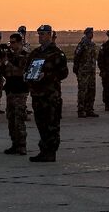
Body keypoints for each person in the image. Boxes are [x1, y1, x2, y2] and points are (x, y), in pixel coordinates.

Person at [26, 25, 69, 162]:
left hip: (51, 96)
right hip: (38, 95)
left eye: (43, 34)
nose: (40, 36)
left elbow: (63, 73)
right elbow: (28, 68)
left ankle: (51, 151)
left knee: (52, 124)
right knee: (41, 124)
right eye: (39, 34)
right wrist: (27, 76)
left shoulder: (57, 53)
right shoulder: (35, 53)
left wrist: (47, 75)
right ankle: (43, 150)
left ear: (50, 35)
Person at [0, 32, 29, 155]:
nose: (11, 45)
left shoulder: (25, 55)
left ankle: (21, 145)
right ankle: (14, 143)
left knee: (19, 118)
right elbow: (4, 73)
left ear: (19, 42)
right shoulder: (9, 56)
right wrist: (2, 63)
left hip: (20, 90)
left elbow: (19, 72)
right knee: (11, 118)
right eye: (10, 42)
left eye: (13, 42)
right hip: (11, 89)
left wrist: (7, 62)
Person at [74, 27, 99, 118]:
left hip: (91, 71)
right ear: (86, 34)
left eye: (92, 33)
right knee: (83, 91)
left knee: (91, 90)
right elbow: (76, 56)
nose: (92, 34)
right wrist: (76, 68)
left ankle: (89, 109)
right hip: (83, 71)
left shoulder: (92, 44)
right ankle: (81, 110)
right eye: (90, 33)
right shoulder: (82, 44)